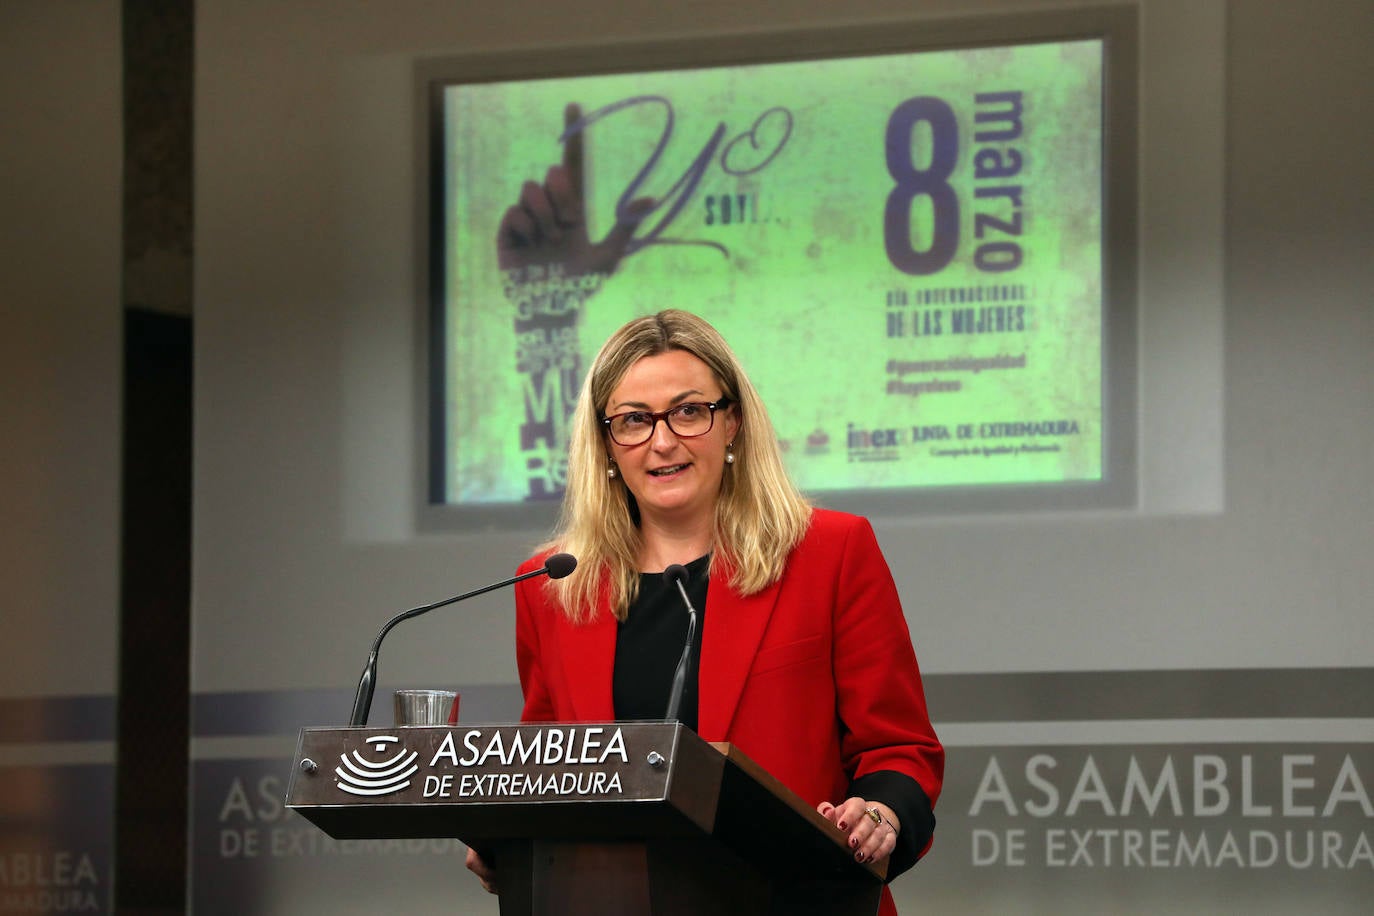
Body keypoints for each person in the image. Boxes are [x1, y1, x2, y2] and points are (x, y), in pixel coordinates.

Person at [466, 310, 943, 914]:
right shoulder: (554, 586)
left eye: (688, 411)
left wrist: (881, 814)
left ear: (733, 422)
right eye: (634, 420)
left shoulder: (830, 553)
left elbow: (899, 748)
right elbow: (545, 767)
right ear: (607, 443)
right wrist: (509, 837)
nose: (662, 441)